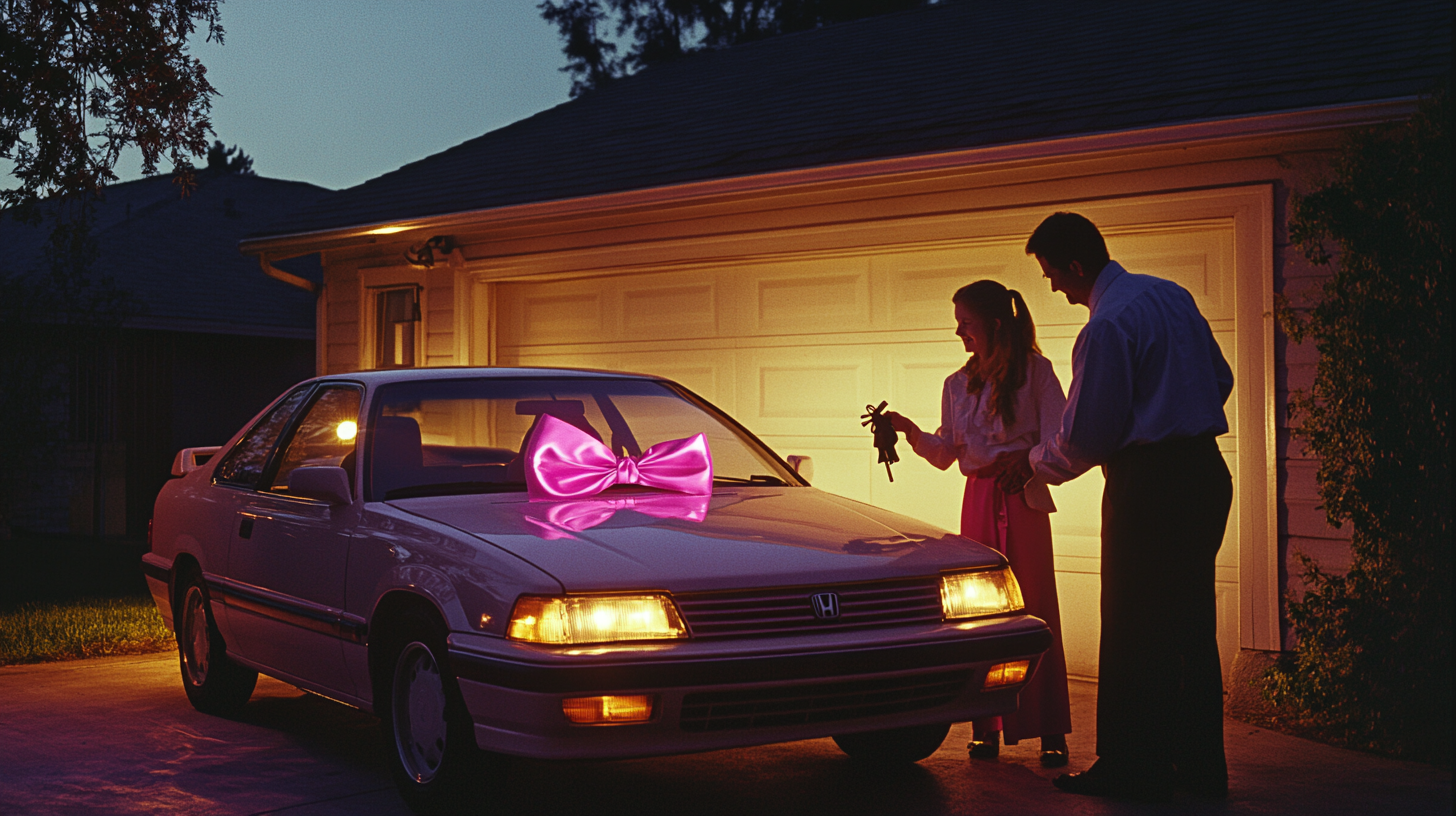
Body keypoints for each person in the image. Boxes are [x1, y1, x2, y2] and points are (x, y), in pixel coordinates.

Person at [1004, 212, 1233, 801]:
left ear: (1077, 266)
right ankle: (1199, 769)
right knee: (1188, 626)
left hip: (1149, 486)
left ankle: (1133, 767)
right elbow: (1221, 377)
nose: (1054, 287)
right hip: (1205, 474)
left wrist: (1032, 463)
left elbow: (1086, 435)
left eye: (1054, 274)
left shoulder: (1106, 328)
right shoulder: (1170, 296)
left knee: (1133, 628)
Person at [886, 280, 1074, 768]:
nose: (958, 332)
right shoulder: (956, 383)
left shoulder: (1036, 372)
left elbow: (1061, 435)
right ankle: (984, 726)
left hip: (1023, 500)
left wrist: (1028, 459)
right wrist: (909, 432)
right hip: (978, 503)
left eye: (965, 322)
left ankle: (1049, 728)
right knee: (978, 614)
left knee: (1034, 609)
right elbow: (948, 453)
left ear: (993, 323)